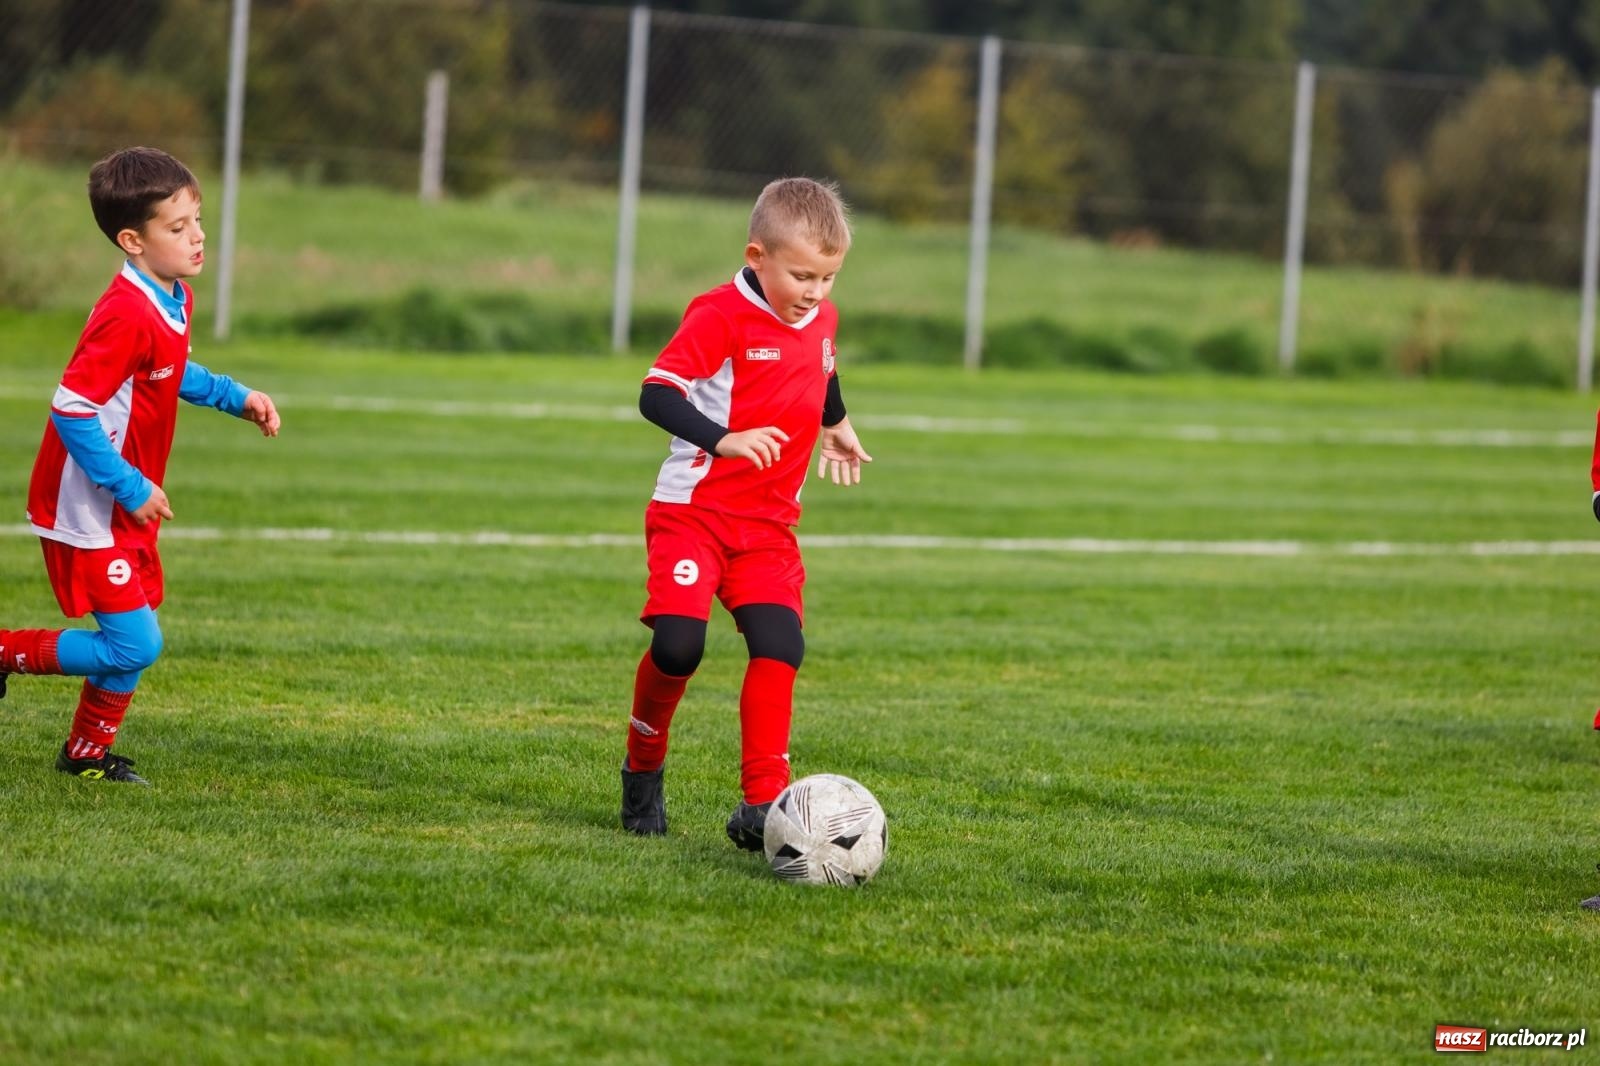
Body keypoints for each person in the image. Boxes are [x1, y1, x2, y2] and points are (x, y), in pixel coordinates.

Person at [0, 146, 280, 785]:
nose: (197, 236)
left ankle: (86, 755)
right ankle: (4, 651)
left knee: (134, 632)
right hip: (92, 502)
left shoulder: (168, 295)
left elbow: (169, 369)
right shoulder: (126, 312)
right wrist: (128, 485)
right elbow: (72, 410)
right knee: (136, 642)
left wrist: (237, 397)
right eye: (177, 228)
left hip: (122, 499)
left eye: (198, 220)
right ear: (132, 240)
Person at [619, 177, 872, 849]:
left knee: (780, 646)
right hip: (693, 515)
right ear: (756, 256)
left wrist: (836, 422)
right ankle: (642, 769)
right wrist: (722, 438)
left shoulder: (821, 317)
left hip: (767, 529)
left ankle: (765, 805)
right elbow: (656, 394)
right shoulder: (718, 314)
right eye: (802, 276)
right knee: (678, 648)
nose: (816, 293)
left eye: (828, 278)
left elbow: (823, 368)